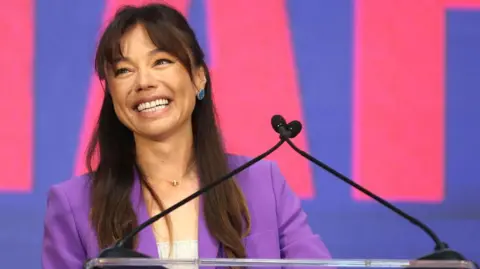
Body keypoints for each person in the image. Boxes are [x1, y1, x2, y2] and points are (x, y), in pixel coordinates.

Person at [41, 3, 331, 269]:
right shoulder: (74, 205)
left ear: (199, 77)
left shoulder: (262, 185)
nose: (143, 82)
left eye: (161, 62)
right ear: (111, 94)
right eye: (124, 70)